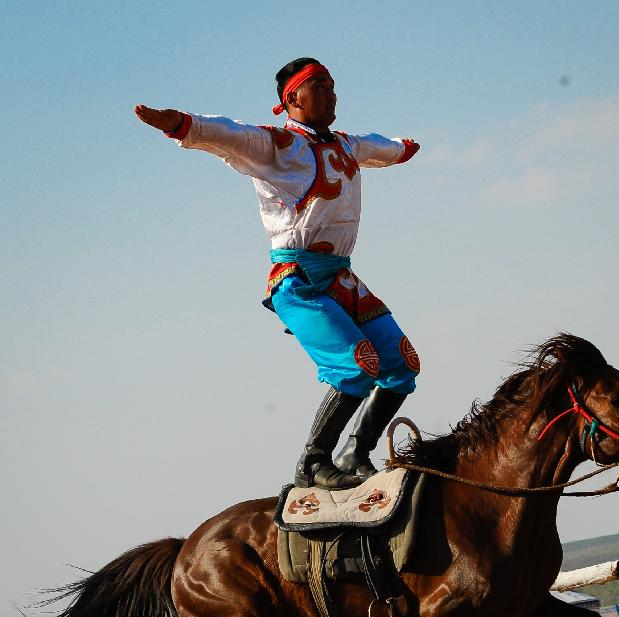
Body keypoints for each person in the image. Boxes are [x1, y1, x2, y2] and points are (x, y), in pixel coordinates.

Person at [135, 57, 420, 489]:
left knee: (401, 364)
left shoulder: (345, 145)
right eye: (320, 86)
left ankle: (354, 453)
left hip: (341, 277)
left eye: (333, 85)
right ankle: (312, 462)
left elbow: (380, 146)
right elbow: (226, 132)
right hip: (299, 282)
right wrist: (180, 123)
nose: (332, 93)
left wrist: (404, 148)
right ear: (293, 99)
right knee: (355, 367)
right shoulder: (276, 146)